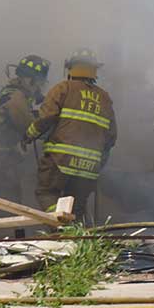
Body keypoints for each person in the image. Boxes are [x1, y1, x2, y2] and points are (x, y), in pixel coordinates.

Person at [23, 48, 116, 221]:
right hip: (89, 166)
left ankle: (62, 229)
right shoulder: (104, 98)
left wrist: (29, 134)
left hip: (60, 160)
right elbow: (111, 137)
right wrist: (98, 162)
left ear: (70, 68)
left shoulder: (63, 88)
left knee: (47, 193)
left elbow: (47, 117)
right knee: (76, 206)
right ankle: (74, 241)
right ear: (94, 70)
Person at [0, 55, 50, 203]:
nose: (39, 88)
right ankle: (4, 226)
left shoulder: (12, 93)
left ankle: (3, 225)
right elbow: (28, 125)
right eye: (39, 83)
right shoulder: (16, 97)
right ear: (31, 80)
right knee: (8, 201)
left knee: (5, 200)